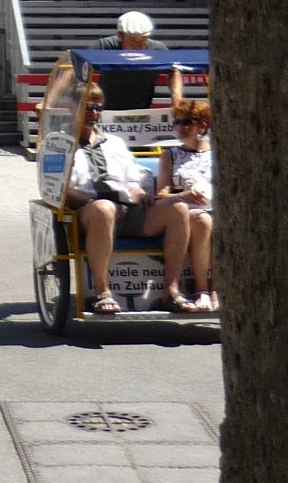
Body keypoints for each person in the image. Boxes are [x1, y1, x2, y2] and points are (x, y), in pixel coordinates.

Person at [66, 84, 198, 314]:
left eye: (98, 108)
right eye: (87, 107)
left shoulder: (115, 143)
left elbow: (132, 183)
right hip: (87, 212)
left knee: (178, 209)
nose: (94, 113)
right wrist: (97, 201)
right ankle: (102, 292)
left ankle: (171, 291)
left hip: (126, 209)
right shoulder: (62, 145)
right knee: (104, 208)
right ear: (73, 108)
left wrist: (141, 196)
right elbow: (62, 192)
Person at [154, 98, 217, 311]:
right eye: (177, 123)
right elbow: (161, 193)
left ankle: (216, 289)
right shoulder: (170, 155)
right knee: (202, 219)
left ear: (203, 126)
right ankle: (202, 290)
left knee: (216, 221)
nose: (180, 128)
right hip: (187, 212)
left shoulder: (217, 154)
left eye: (186, 122)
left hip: (215, 208)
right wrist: (184, 195)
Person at [90, 9, 185, 111]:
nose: (138, 46)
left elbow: (174, 71)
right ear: (120, 36)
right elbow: (78, 68)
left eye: (143, 40)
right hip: (106, 111)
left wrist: (176, 98)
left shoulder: (157, 49)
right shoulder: (104, 46)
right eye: (133, 41)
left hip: (141, 112)